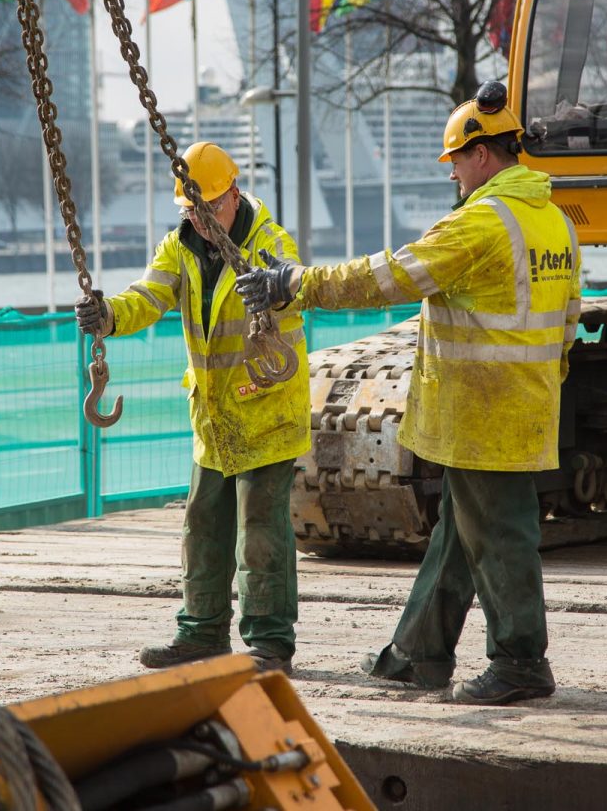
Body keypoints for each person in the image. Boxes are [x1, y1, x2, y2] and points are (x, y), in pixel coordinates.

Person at [235, 81, 581, 705]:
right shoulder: (552, 220)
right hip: (520, 403)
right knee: (459, 530)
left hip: (483, 408)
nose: (453, 175)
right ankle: (419, 652)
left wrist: (297, 283)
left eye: (455, 163)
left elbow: (392, 274)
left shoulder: (482, 222)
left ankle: (521, 662)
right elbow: (568, 320)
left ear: (481, 155)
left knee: (501, 532)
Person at [75, 142, 309, 674]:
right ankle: (201, 632)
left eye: (207, 210)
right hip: (215, 417)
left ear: (232, 194)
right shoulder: (178, 247)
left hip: (266, 410)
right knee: (202, 525)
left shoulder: (267, 242)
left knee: (261, 531)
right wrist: (109, 316)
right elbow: (148, 296)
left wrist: (275, 291)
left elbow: (293, 284)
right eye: (189, 212)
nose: (200, 222)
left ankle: (271, 643)